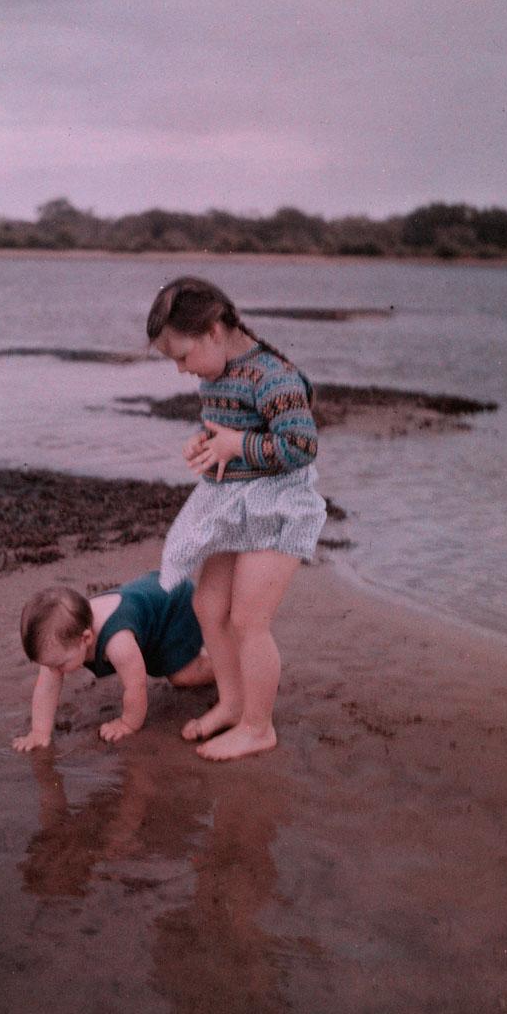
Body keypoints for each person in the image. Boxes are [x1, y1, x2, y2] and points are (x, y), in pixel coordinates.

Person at [146, 276, 327, 761]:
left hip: (280, 504)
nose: (182, 371)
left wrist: (237, 446)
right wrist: (204, 443)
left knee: (249, 618)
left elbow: (302, 446)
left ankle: (257, 725)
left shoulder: (274, 377)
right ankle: (231, 702)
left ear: (212, 331)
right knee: (208, 605)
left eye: (182, 356)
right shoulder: (215, 373)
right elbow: (226, 427)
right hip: (233, 502)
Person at [12, 570, 213, 751]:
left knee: (182, 676)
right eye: (48, 665)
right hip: (152, 593)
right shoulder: (64, 638)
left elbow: (136, 685)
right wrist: (39, 733)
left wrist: (128, 724)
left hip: (175, 605)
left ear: (87, 638)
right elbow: (46, 688)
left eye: (60, 665)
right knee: (151, 656)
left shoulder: (117, 642)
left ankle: (225, 664)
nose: (54, 671)